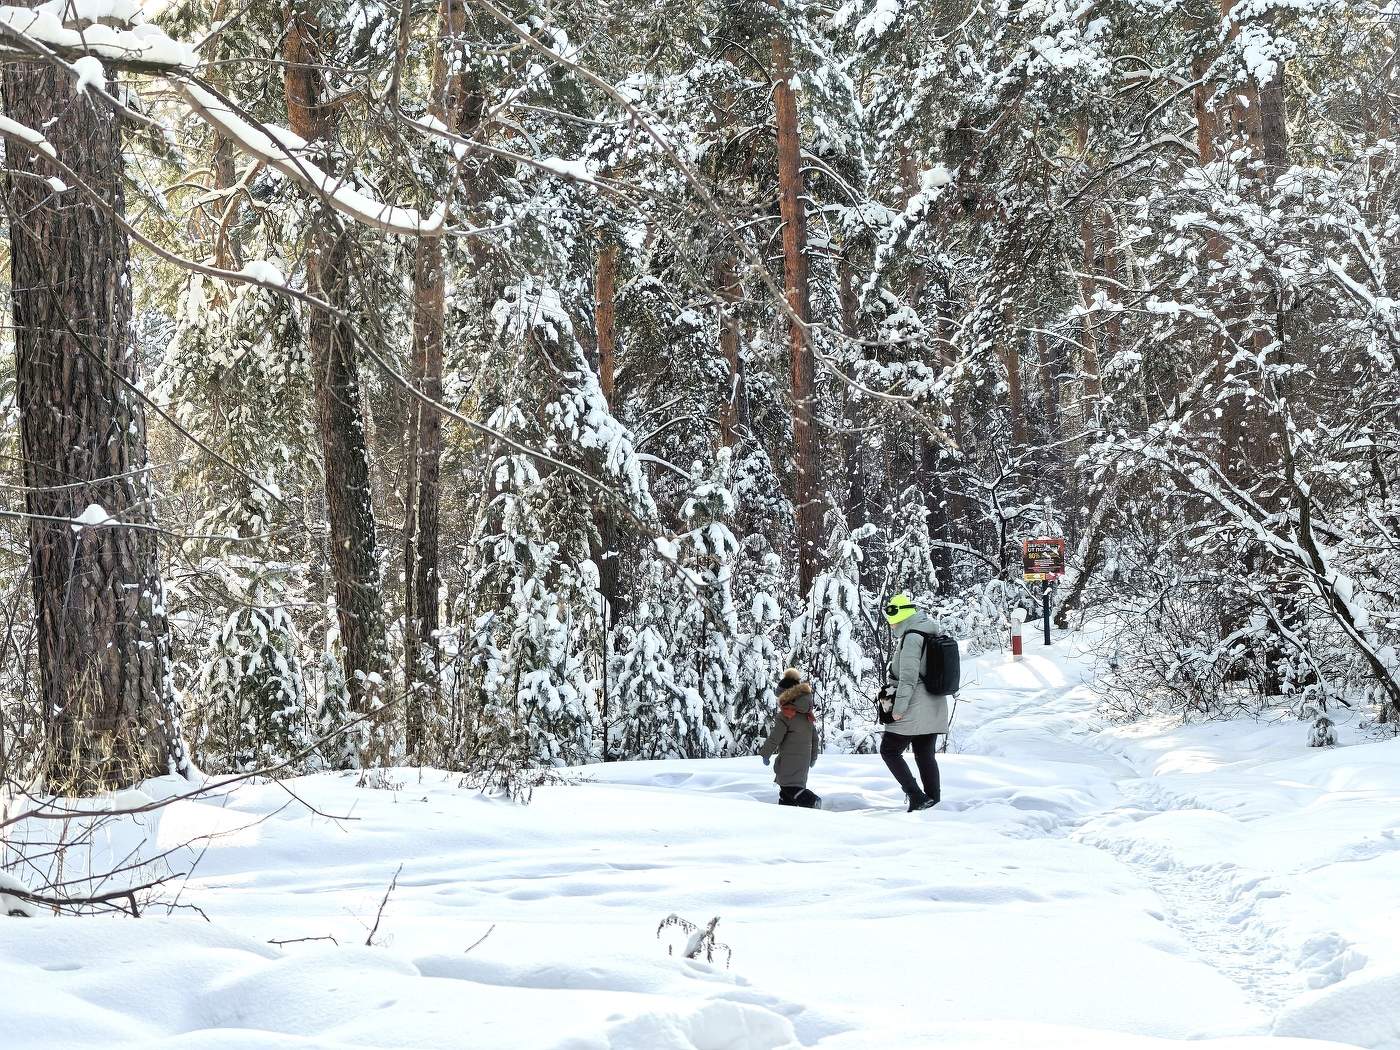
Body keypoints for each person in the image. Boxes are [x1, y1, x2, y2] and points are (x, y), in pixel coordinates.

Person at [880, 594, 949, 812]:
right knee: (925, 753)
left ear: (898, 615)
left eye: (890, 618)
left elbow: (909, 677)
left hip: (914, 704)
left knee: (889, 750)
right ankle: (932, 801)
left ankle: (917, 797)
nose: (890, 624)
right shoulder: (928, 631)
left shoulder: (912, 638)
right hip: (934, 702)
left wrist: (898, 709)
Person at [758, 668, 822, 808]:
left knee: (789, 788)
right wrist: (813, 757)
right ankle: (786, 814)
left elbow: (775, 737)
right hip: (803, 761)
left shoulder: (786, 715)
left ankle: (811, 801)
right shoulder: (807, 715)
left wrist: (765, 753)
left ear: (786, 696)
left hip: (788, 760)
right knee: (786, 792)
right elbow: (814, 739)